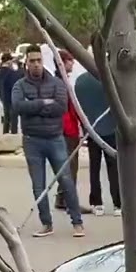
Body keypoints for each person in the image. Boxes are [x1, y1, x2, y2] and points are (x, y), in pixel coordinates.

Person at [12, 46, 84, 238]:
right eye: (32, 61)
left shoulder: (57, 84)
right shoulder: (19, 85)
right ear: (26, 62)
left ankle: (77, 222)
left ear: (42, 62)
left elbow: (60, 107)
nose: (35, 64)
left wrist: (33, 106)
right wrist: (44, 103)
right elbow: (19, 107)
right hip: (32, 140)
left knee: (66, 180)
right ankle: (46, 223)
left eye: (38, 60)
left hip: (55, 138)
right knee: (38, 185)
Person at [75, 68, 121, 215]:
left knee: (94, 167)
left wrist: (85, 127)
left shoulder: (80, 81)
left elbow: (79, 108)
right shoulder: (111, 79)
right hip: (111, 129)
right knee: (113, 167)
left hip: (92, 129)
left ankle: (96, 202)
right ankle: (117, 203)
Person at [54, 51, 82, 212]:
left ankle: (62, 197)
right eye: (69, 60)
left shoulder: (61, 81)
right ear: (62, 63)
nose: (72, 63)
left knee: (66, 165)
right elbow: (70, 108)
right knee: (71, 166)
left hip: (65, 128)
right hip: (67, 129)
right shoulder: (62, 84)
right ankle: (68, 200)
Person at [0, 53, 22, 134]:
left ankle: (5, 133)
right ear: (8, 61)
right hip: (11, 95)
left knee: (6, 116)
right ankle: (13, 132)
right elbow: (14, 83)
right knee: (13, 116)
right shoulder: (10, 72)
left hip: (3, 96)